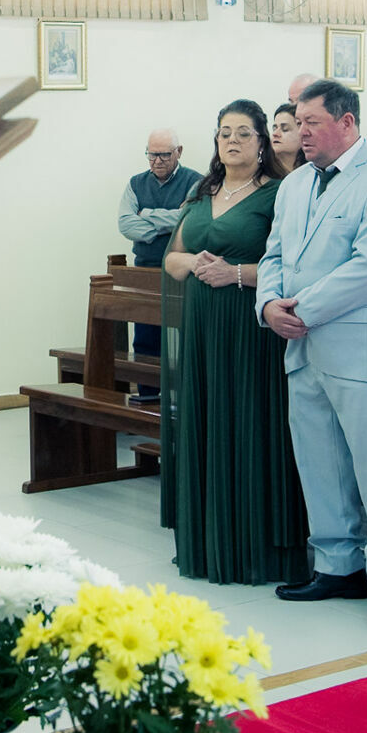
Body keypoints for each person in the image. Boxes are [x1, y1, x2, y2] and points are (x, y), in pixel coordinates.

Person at [257, 79, 367, 630]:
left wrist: (298, 309)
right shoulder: (295, 184)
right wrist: (267, 306)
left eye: (311, 122)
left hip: (362, 346)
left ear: (347, 122)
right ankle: (337, 565)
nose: (300, 132)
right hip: (303, 347)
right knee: (320, 464)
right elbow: (274, 253)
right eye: (297, 122)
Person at [159, 100, 309, 585]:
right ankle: (208, 543)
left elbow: (295, 266)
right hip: (204, 329)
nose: (233, 141)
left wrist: (236, 273)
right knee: (208, 424)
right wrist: (196, 265)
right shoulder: (203, 192)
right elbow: (172, 258)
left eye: (244, 133)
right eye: (225, 132)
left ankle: (254, 549)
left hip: (251, 329)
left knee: (248, 425)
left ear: (262, 142)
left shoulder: (280, 193)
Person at [117, 127, 204, 378]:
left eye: (164, 155)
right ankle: (147, 393)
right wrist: (167, 226)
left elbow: (190, 220)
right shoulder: (136, 183)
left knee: (184, 336)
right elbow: (126, 224)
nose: (157, 161)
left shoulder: (196, 182)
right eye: (151, 154)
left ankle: (182, 396)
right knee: (145, 335)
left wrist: (147, 215)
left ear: (179, 152)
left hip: (182, 273)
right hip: (144, 269)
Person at [270, 102, 306, 177]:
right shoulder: (261, 175)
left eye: (285, 129)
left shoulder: (315, 172)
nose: (275, 134)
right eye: (274, 128)